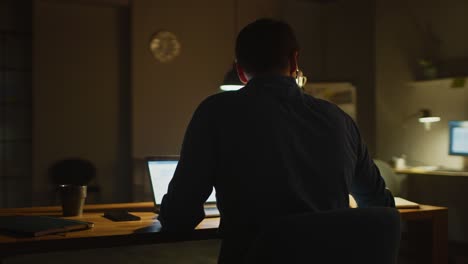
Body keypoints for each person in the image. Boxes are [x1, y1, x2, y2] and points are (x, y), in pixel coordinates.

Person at [158, 18, 395, 263]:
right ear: (294, 60)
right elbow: (380, 205)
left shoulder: (215, 113)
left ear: (240, 71)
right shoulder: (339, 119)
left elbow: (180, 216)